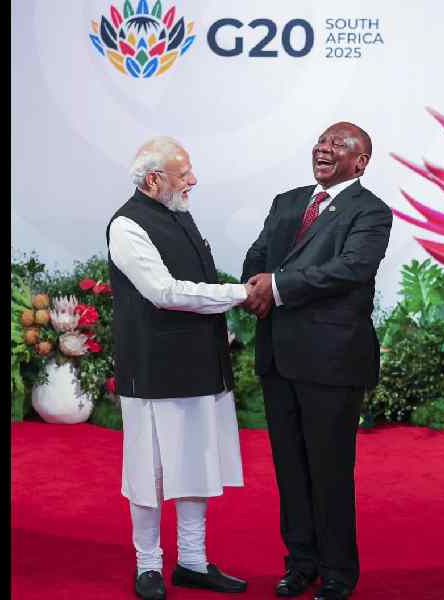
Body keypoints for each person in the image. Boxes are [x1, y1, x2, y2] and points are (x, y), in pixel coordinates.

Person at [240, 122, 393, 600]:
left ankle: (338, 573)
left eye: (337, 145)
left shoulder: (371, 211)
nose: (323, 149)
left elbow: (350, 269)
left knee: (329, 472)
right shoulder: (287, 202)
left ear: (360, 162)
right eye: (321, 142)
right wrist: (255, 285)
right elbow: (257, 256)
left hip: (332, 363)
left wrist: (278, 288)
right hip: (278, 358)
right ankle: (300, 564)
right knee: (290, 470)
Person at [106, 136, 252, 600]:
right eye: (183, 173)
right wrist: (241, 294)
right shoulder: (127, 225)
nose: (193, 180)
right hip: (153, 370)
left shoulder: (178, 212)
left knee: (195, 463)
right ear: (154, 179)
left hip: (199, 363)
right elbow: (163, 292)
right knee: (147, 473)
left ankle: (192, 561)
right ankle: (148, 565)